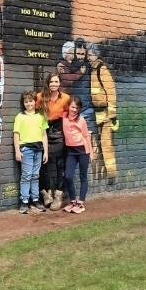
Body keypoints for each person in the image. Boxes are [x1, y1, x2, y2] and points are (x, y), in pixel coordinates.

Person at [37, 72, 71, 210]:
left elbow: (70, 116)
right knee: (43, 165)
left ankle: (59, 194)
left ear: (60, 83)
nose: (54, 84)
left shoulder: (66, 98)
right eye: (51, 82)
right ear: (47, 82)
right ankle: (46, 194)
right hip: (43, 131)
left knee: (59, 165)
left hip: (59, 132)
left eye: (56, 82)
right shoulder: (40, 97)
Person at [87, 43, 118, 180]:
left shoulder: (101, 70)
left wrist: (112, 113)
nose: (89, 57)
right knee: (98, 144)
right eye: (88, 55)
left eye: (91, 54)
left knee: (106, 144)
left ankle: (111, 174)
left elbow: (111, 92)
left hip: (105, 114)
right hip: (97, 113)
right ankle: (101, 174)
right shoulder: (92, 70)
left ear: (96, 55)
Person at [13, 91, 48, 214]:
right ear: (23, 103)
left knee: (35, 175)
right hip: (26, 150)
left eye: (30, 101)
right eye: (26, 101)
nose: (29, 103)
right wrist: (17, 150)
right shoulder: (20, 117)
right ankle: (24, 201)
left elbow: (44, 135)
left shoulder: (41, 117)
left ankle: (35, 199)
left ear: (35, 102)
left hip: (38, 149)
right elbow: (16, 134)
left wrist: (46, 152)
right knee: (26, 175)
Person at [62, 97, 94, 214]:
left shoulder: (81, 120)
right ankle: (73, 201)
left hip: (82, 150)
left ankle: (80, 203)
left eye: (77, 107)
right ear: (68, 107)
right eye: (72, 107)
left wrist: (90, 152)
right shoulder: (64, 116)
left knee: (83, 176)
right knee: (68, 176)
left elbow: (86, 136)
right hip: (71, 151)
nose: (74, 109)